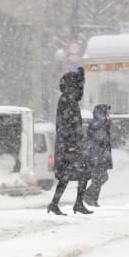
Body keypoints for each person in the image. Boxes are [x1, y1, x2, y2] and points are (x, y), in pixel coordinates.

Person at [47, 68, 93, 216]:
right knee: (81, 173)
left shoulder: (68, 99)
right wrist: (71, 145)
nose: (82, 87)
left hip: (70, 145)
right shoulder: (68, 100)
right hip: (70, 146)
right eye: (80, 84)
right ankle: (74, 204)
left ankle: (58, 204)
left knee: (68, 176)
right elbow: (66, 125)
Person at [82, 104, 113, 207]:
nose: (109, 113)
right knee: (100, 178)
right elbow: (100, 140)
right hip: (97, 156)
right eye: (107, 111)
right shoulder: (98, 124)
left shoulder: (101, 123)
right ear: (102, 112)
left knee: (101, 177)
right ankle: (89, 197)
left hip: (99, 156)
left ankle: (91, 197)